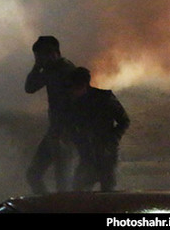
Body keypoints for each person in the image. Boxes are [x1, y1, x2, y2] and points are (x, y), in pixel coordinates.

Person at [24, 35, 77, 194]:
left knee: (62, 184)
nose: (41, 60)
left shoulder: (66, 70)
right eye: (38, 57)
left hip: (66, 134)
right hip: (56, 132)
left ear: (54, 53)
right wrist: (37, 66)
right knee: (34, 175)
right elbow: (30, 87)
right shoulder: (52, 70)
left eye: (42, 56)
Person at [66, 67, 130, 191]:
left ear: (83, 85)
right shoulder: (74, 103)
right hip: (88, 155)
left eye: (74, 88)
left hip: (106, 154)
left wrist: (113, 139)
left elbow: (124, 121)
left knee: (108, 192)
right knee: (78, 191)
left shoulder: (105, 98)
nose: (72, 92)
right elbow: (71, 125)